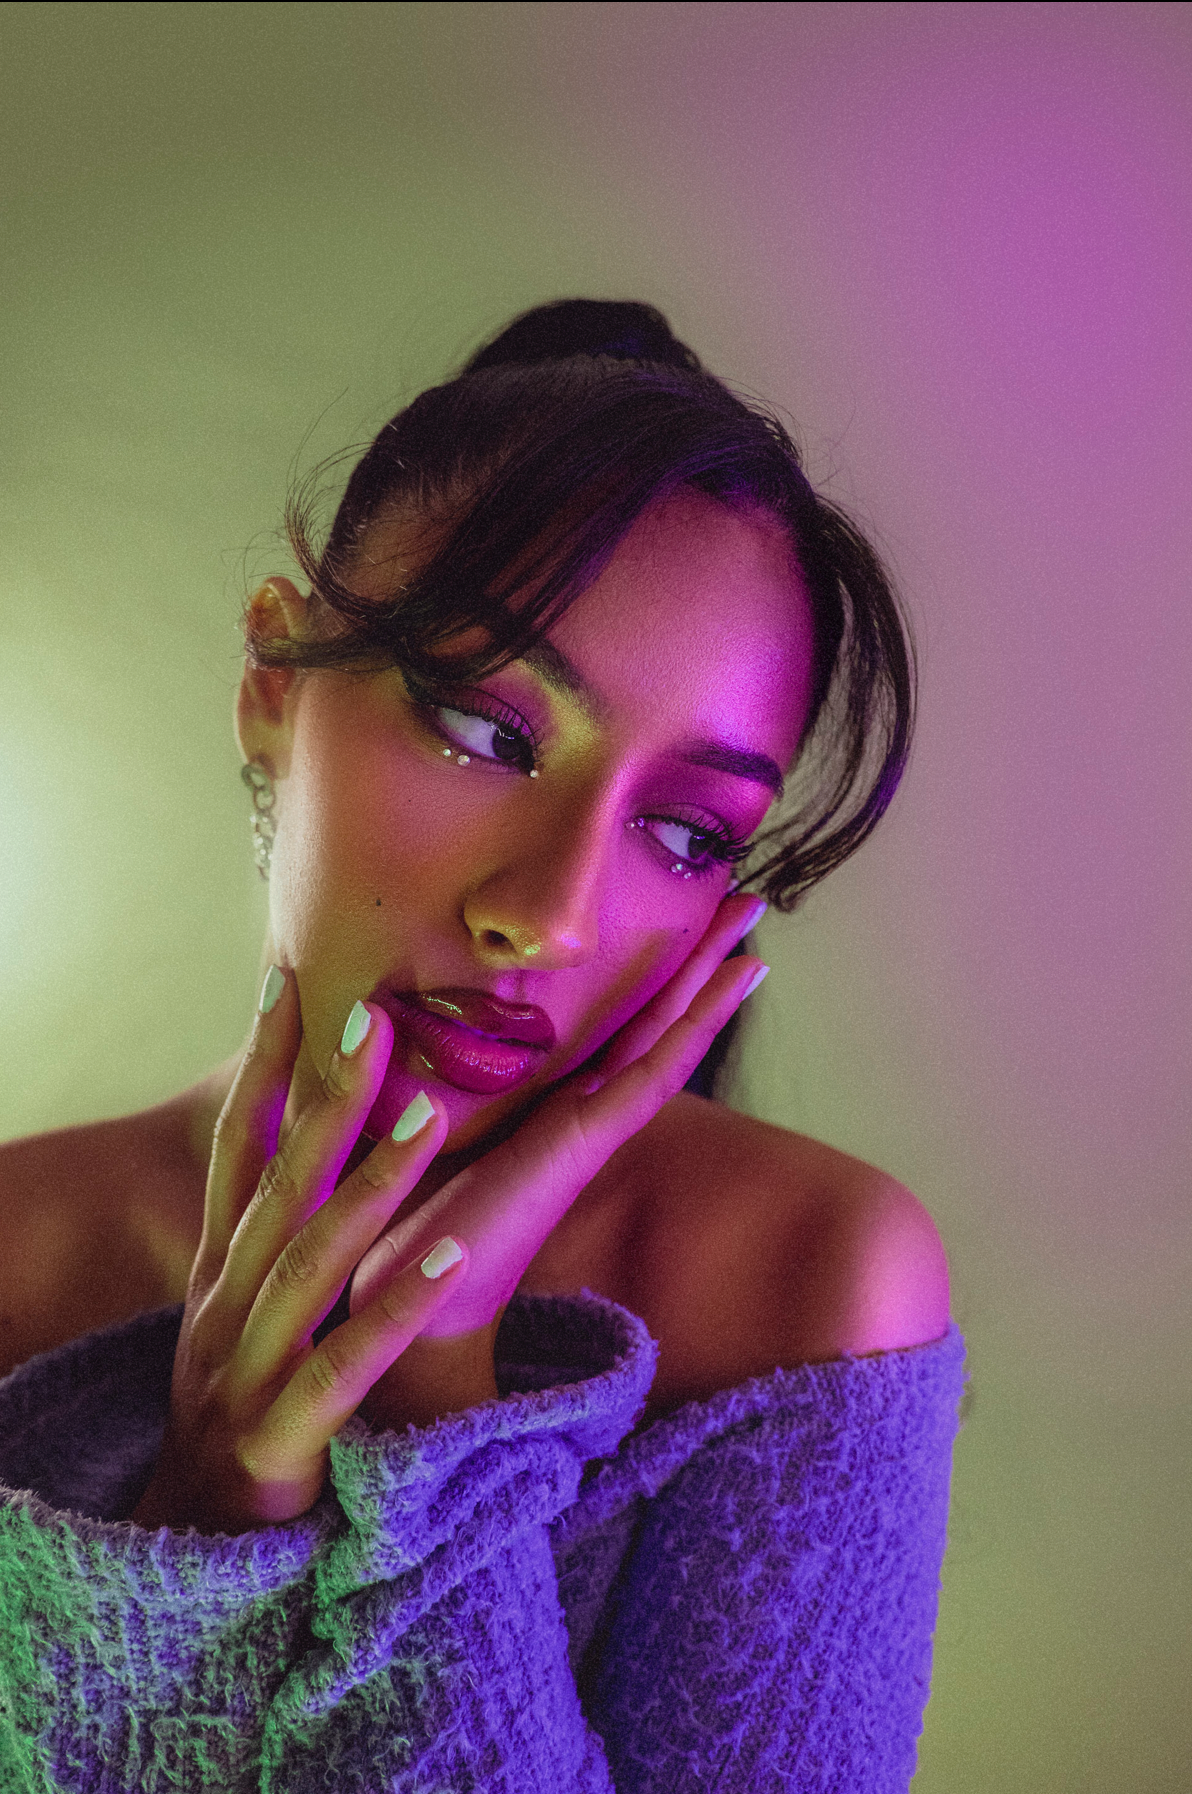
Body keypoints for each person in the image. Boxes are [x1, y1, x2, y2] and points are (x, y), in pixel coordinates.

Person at [0, 300, 962, 1792]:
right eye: (489, 733)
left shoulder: (815, 1290)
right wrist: (206, 1507)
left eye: (685, 830)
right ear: (274, 684)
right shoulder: (14, 1253)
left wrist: (433, 1386)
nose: (552, 917)